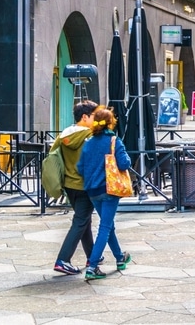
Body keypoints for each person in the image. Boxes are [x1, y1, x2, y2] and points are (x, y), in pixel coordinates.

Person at [76, 106, 132, 281]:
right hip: (110, 189)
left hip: (92, 191)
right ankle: (92, 266)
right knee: (105, 227)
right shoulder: (114, 141)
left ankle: (119, 257)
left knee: (108, 226)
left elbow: (80, 167)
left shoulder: (88, 143)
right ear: (111, 123)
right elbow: (124, 164)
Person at [52, 100, 99, 275]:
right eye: (94, 116)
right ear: (85, 117)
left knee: (84, 220)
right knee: (80, 221)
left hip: (69, 185)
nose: (96, 120)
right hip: (85, 185)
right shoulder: (89, 136)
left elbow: (53, 156)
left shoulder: (65, 134)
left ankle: (92, 255)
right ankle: (63, 259)